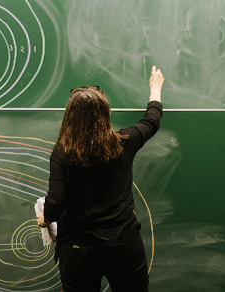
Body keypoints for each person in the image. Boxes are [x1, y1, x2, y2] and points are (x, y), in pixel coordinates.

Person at [37, 66, 165, 292]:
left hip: (79, 250)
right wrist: (155, 89)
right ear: (105, 113)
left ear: (70, 116)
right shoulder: (125, 142)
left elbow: (56, 201)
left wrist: (45, 219)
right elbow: (152, 120)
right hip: (124, 246)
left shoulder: (62, 153)